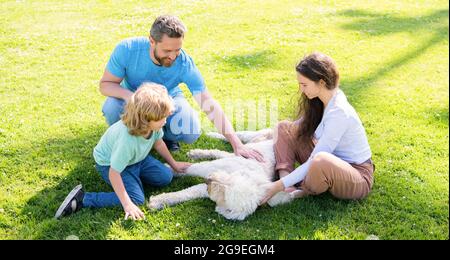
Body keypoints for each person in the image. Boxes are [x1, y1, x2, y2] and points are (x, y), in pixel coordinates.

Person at [99, 15, 263, 161]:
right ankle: (131, 138)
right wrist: (132, 97)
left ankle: (164, 136)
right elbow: (106, 85)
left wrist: (237, 143)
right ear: (152, 41)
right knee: (112, 108)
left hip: (168, 99)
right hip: (132, 97)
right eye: (167, 50)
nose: (172, 56)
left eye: (177, 50)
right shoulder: (127, 49)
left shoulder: (184, 63)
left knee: (191, 131)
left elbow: (207, 102)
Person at [55, 83, 192, 221]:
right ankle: (82, 199)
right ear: (145, 119)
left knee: (165, 176)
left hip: (137, 159)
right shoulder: (127, 140)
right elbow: (114, 173)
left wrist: (174, 164)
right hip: (111, 166)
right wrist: (127, 204)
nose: (165, 121)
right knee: (136, 199)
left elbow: (159, 143)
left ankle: (134, 180)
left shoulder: (154, 127)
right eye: (162, 118)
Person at [260, 52, 375, 205]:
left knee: (320, 160)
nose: (301, 90)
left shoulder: (339, 113)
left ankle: (300, 191)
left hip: (356, 175)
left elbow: (316, 158)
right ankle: (286, 182)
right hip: (328, 161)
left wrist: (274, 187)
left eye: (304, 85)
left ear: (321, 83)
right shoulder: (322, 100)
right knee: (284, 127)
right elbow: (293, 131)